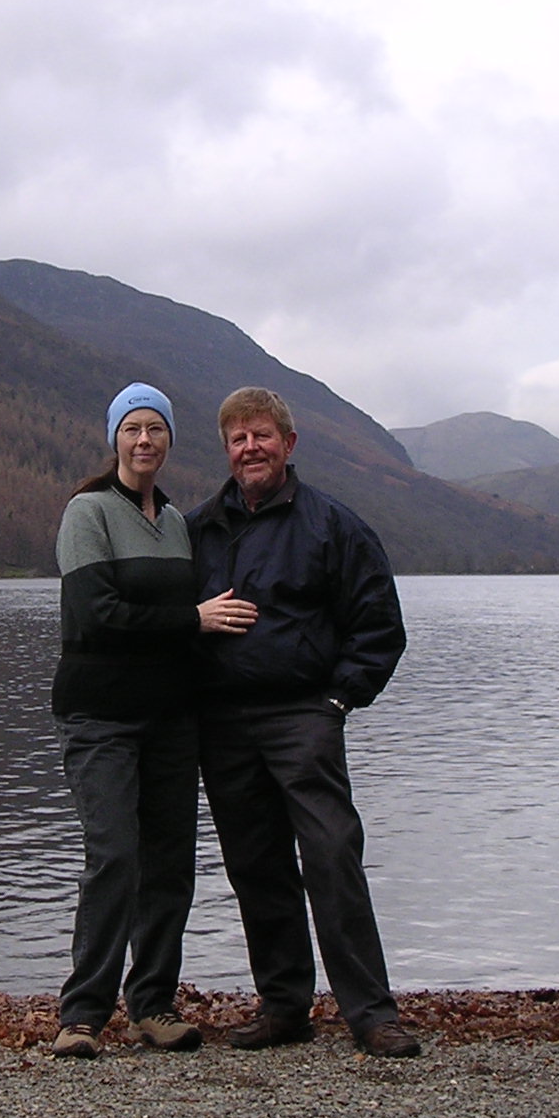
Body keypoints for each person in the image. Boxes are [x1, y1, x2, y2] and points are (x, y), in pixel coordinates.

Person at [187, 386, 420, 1058]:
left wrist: (340, 701)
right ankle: (284, 1005)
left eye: (261, 436)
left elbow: (379, 627)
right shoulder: (202, 528)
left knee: (331, 855)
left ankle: (371, 1014)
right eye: (237, 438)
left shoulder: (334, 527)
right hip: (225, 724)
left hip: (304, 716)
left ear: (289, 446)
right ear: (227, 451)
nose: (249, 448)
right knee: (256, 867)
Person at [50, 381, 257, 1059]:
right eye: (133, 428)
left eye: (156, 429)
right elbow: (96, 616)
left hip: (170, 721)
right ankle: (81, 1015)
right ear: (115, 438)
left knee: (170, 866)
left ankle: (153, 1005)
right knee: (114, 856)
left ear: (169, 440)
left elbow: (188, 628)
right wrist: (191, 619)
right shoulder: (88, 512)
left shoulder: (175, 524)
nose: (145, 440)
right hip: (100, 717)